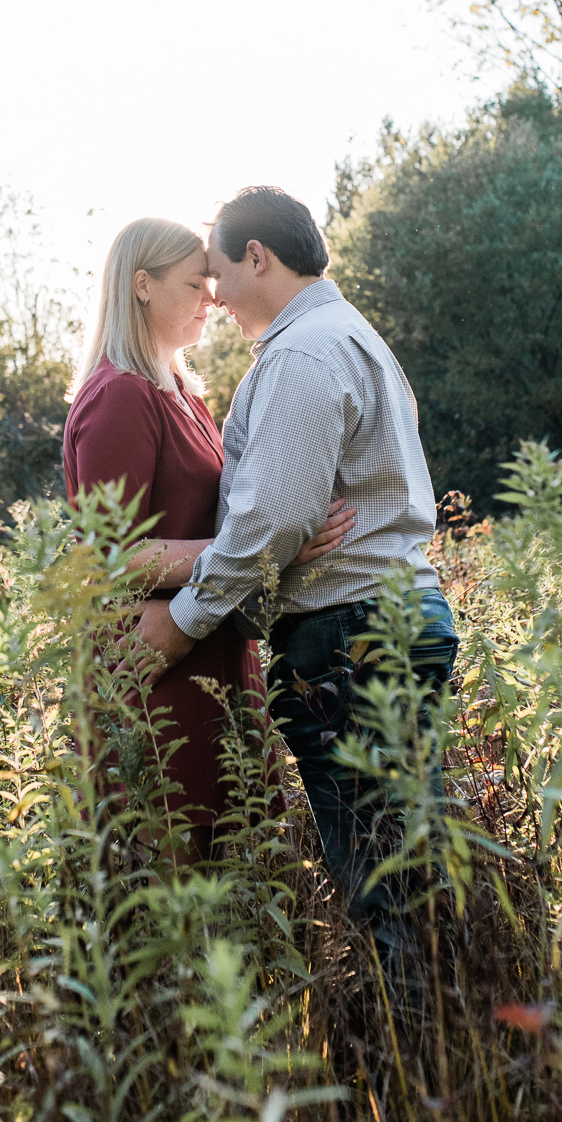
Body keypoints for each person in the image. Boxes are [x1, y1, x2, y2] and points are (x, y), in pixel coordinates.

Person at [130, 187, 458, 930]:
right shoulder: (351, 336)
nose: (210, 290)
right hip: (388, 622)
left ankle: (406, 1035)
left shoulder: (303, 353)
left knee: (387, 885)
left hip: (351, 637)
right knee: (408, 867)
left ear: (257, 256)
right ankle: (441, 1028)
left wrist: (184, 621)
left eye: (216, 269)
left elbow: (274, 518)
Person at [63, 216, 353, 851]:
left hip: (210, 654)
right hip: (155, 677)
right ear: (142, 285)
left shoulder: (182, 395)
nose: (212, 299)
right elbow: (110, 561)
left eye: (212, 283)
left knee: (242, 890)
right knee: (175, 895)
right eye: (196, 284)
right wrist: (275, 551)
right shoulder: (120, 397)